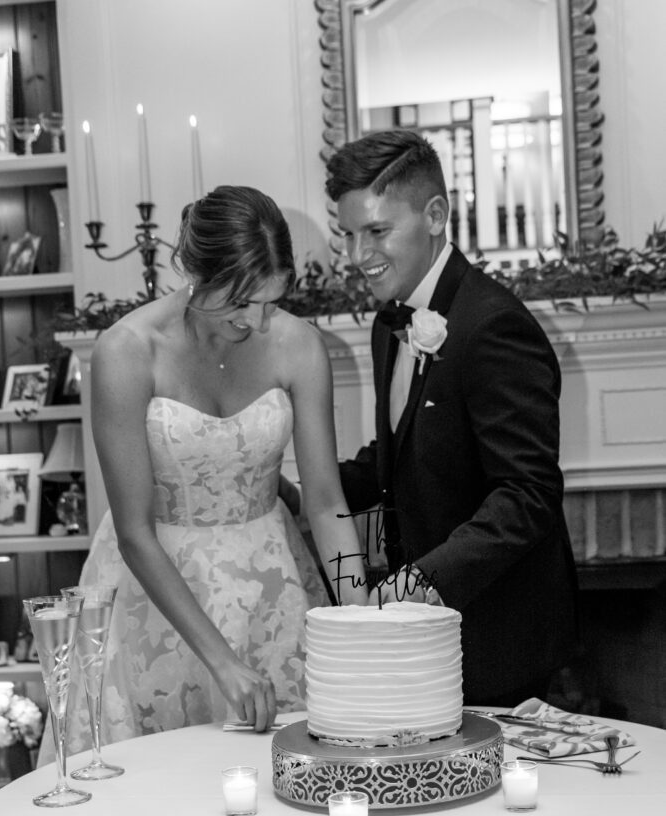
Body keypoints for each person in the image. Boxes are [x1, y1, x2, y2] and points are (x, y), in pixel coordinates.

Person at [38, 185, 367, 766]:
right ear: (195, 273)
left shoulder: (298, 345)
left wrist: (361, 624)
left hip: (271, 591)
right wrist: (222, 662)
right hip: (154, 595)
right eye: (240, 301)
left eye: (271, 301)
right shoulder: (127, 351)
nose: (258, 321)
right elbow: (134, 530)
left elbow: (324, 502)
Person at [303, 129, 578, 707]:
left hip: (498, 635)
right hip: (425, 638)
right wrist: (309, 488)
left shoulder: (494, 325)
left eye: (377, 231)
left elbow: (527, 494)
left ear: (435, 215)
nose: (357, 256)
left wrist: (422, 581)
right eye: (348, 235)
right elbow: (405, 453)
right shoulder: (389, 324)